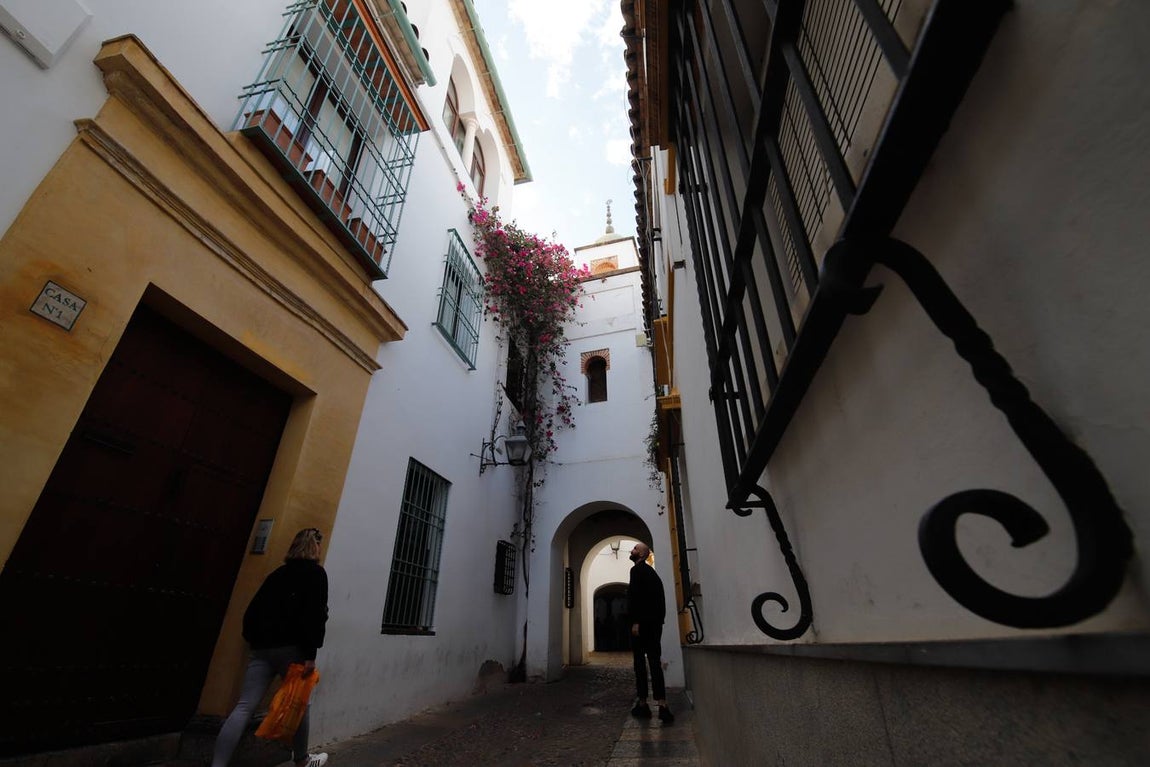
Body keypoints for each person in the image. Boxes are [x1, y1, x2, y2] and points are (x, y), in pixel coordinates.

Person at [212, 528, 331, 767]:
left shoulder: (276, 575)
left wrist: (254, 639)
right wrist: (310, 654)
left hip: (262, 649)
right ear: (314, 547)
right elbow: (314, 616)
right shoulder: (316, 574)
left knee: (244, 707)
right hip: (294, 651)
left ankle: (218, 764)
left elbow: (252, 612)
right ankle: (302, 760)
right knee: (300, 704)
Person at [627, 542, 673, 723]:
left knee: (639, 663)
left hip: (642, 625)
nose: (631, 550)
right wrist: (658, 621)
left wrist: (636, 622)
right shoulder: (652, 573)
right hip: (654, 624)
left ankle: (643, 704)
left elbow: (636, 597)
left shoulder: (636, 571)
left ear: (641, 555)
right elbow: (658, 599)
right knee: (654, 662)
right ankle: (662, 705)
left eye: (635, 549)